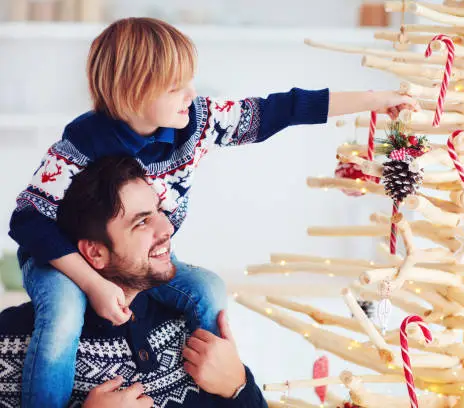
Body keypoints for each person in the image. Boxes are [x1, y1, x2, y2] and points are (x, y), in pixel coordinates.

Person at [7, 16, 419, 407]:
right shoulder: (82, 144)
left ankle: (211, 387)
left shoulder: (197, 123)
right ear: (130, 90)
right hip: (61, 260)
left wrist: (375, 100)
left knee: (208, 290)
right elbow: (26, 221)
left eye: (188, 82)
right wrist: (93, 285)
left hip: (132, 261)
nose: (190, 94)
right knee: (62, 316)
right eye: (174, 87)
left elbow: (282, 108)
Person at [0, 155, 268, 407]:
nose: (167, 229)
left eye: (158, 211)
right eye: (141, 222)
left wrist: (238, 386)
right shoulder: (12, 341)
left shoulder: (196, 320)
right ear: (95, 252)